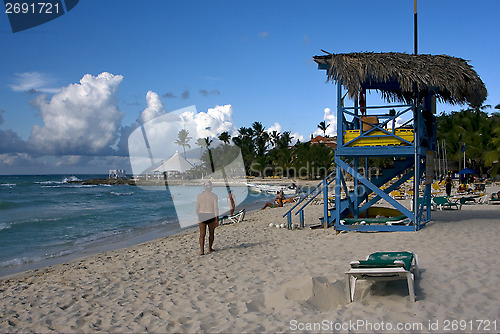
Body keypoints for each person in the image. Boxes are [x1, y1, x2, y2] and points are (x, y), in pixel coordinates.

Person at [196, 180, 219, 255]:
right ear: (211, 187)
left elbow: (197, 208)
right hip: (211, 215)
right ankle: (209, 248)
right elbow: (215, 208)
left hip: (202, 215)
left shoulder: (200, 196)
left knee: (202, 234)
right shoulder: (214, 196)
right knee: (211, 233)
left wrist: (199, 216)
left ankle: (202, 251)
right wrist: (217, 219)